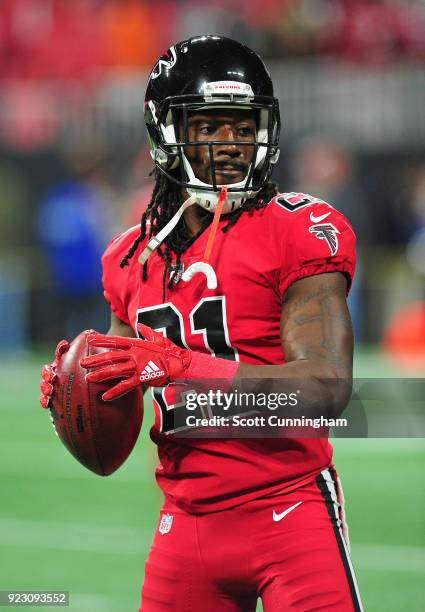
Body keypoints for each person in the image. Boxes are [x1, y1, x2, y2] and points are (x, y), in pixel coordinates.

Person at [39, 36, 363, 612]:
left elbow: (327, 391)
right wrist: (78, 388)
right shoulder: (128, 258)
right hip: (184, 528)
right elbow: (120, 392)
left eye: (243, 127)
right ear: (166, 133)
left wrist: (185, 365)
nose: (232, 144)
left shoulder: (299, 229)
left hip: (289, 514)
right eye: (209, 126)